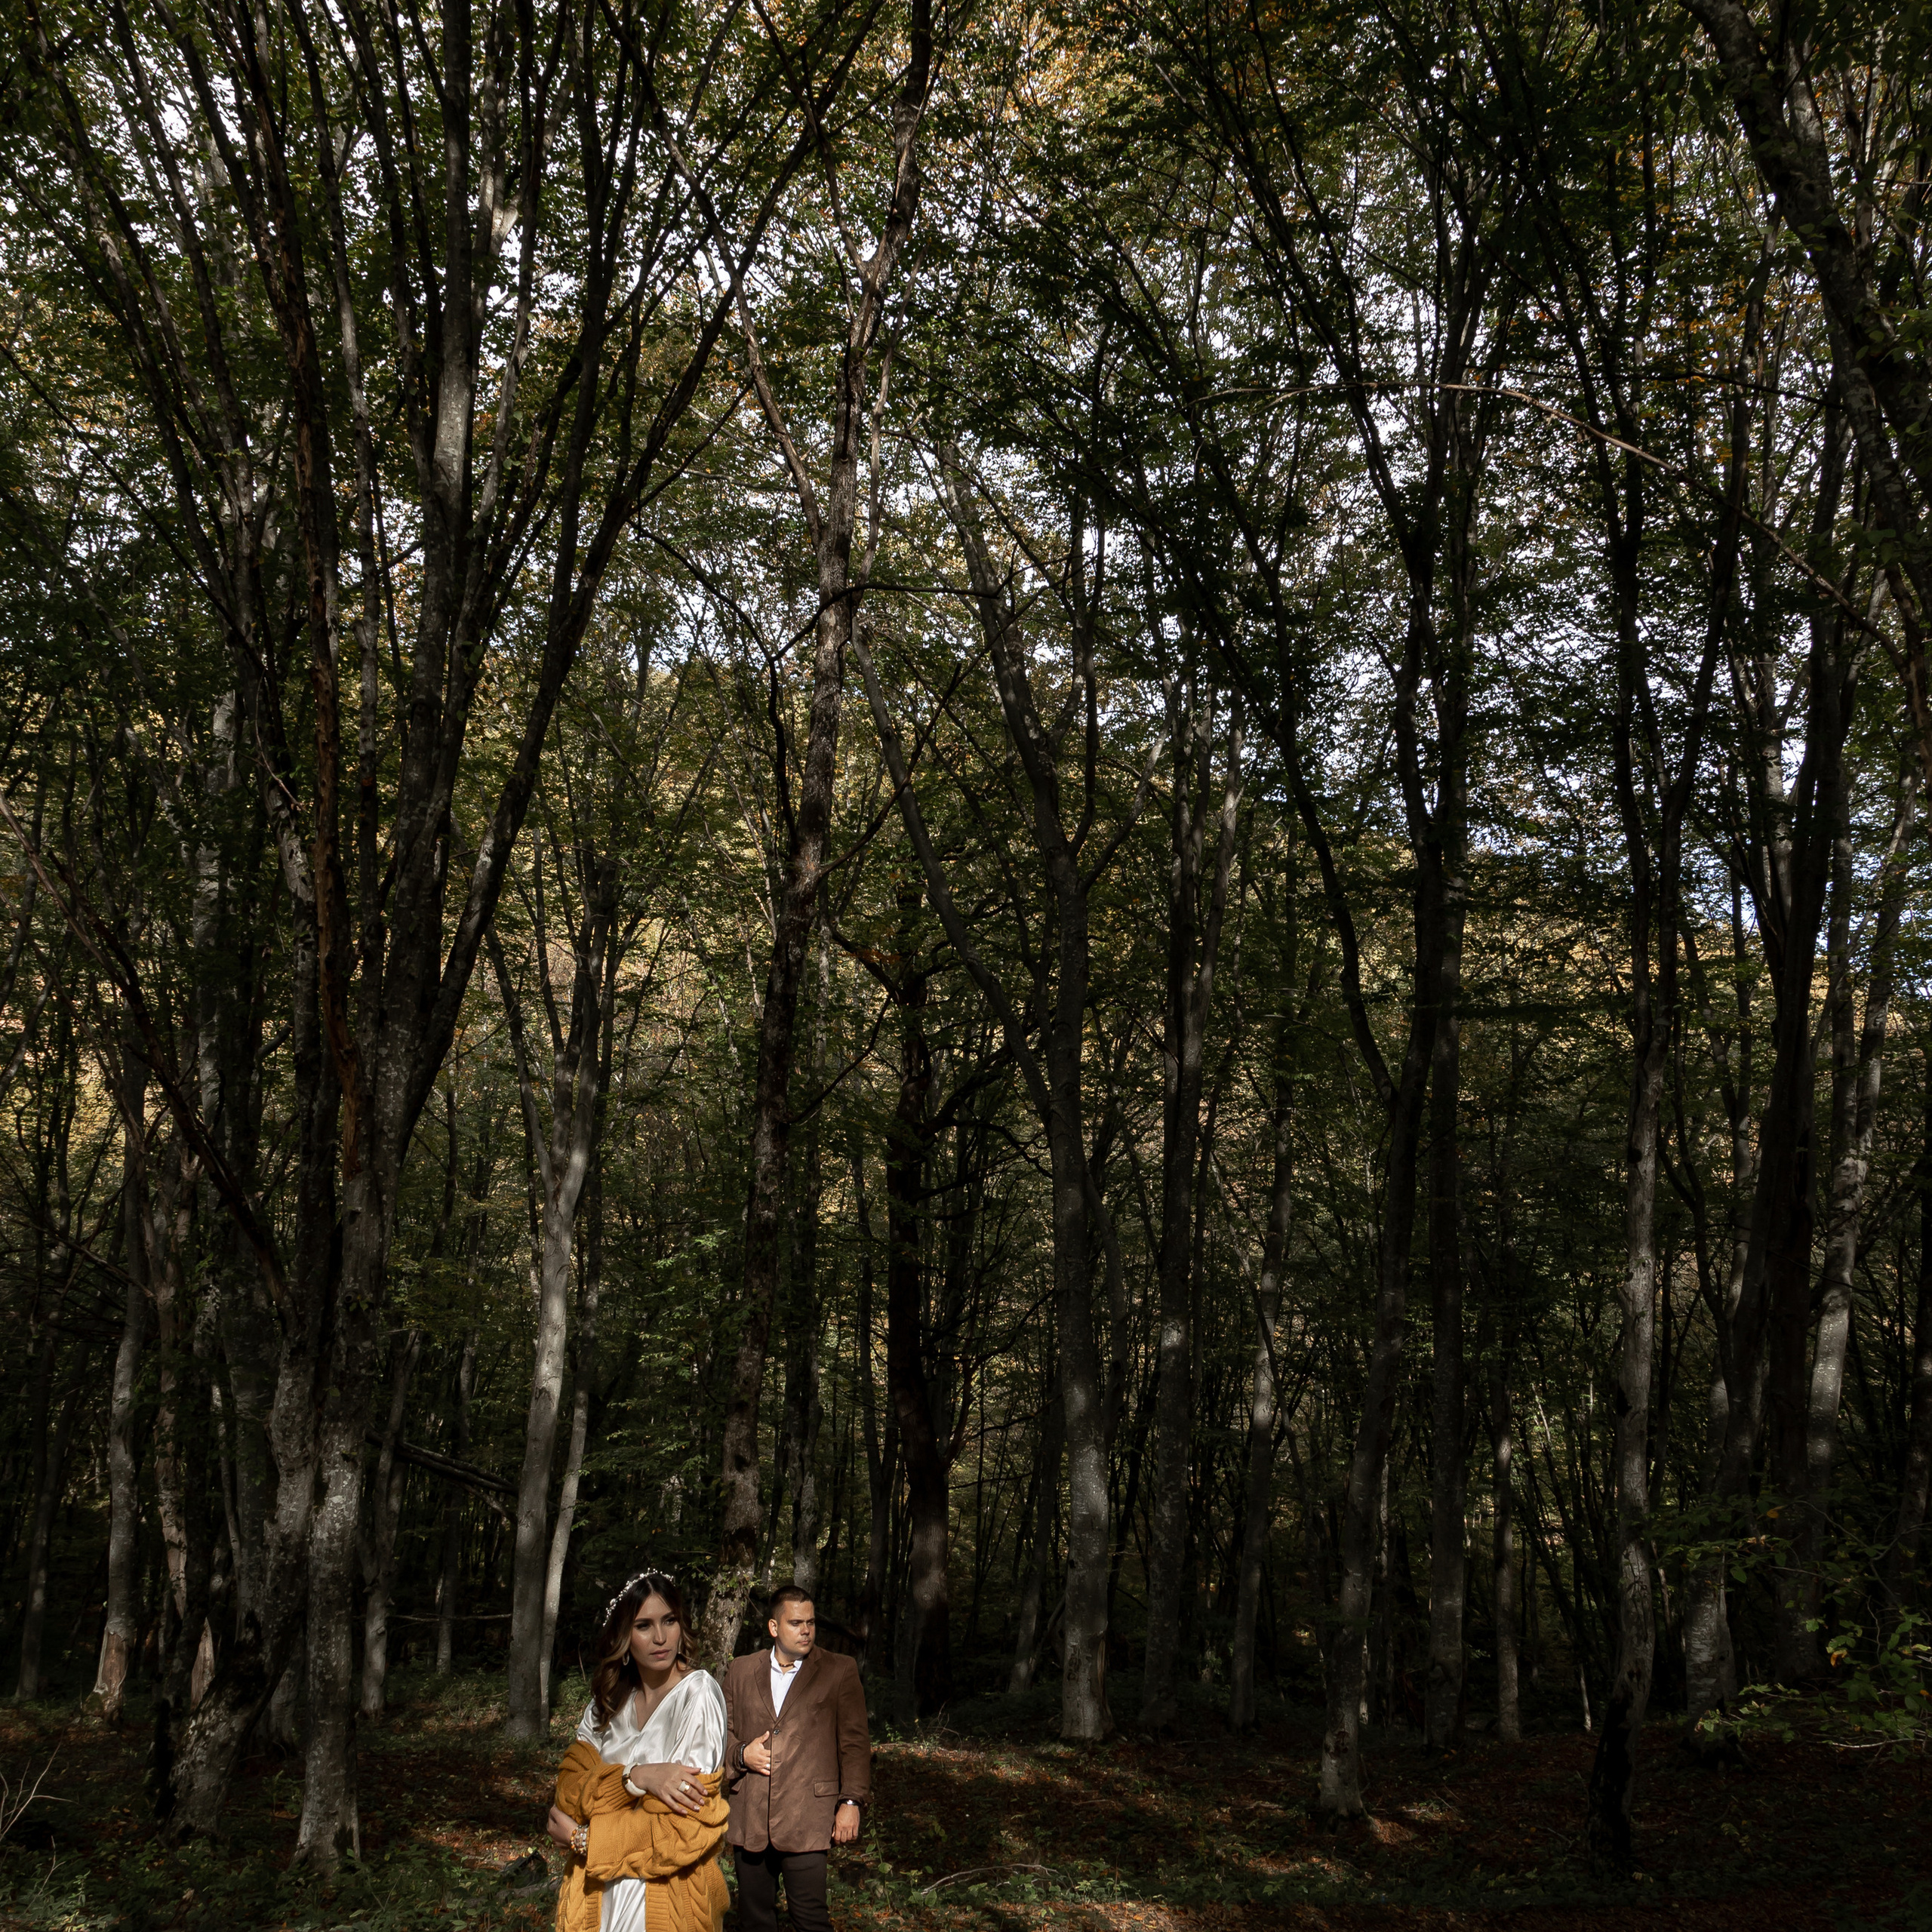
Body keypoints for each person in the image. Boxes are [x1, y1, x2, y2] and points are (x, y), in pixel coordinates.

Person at [547, 1569, 731, 1932]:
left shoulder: (698, 1694)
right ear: (624, 1636)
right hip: (594, 1897)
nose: (661, 1637)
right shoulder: (606, 1704)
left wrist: (585, 1838)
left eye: (669, 1621)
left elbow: (682, 1830)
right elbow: (567, 1794)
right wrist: (637, 1778)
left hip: (665, 1901)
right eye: (644, 1625)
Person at [722, 1585, 871, 1932]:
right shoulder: (741, 1669)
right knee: (754, 1921)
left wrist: (851, 1801)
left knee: (811, 1920)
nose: (806, 1630)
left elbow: (854, 1743)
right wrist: (741, 1754)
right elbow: (720, 1733)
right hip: (751, 1815)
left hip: (809, 1817)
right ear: (774, 1627)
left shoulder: (839, 1669)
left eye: (811, 1622)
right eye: (796, 1623)